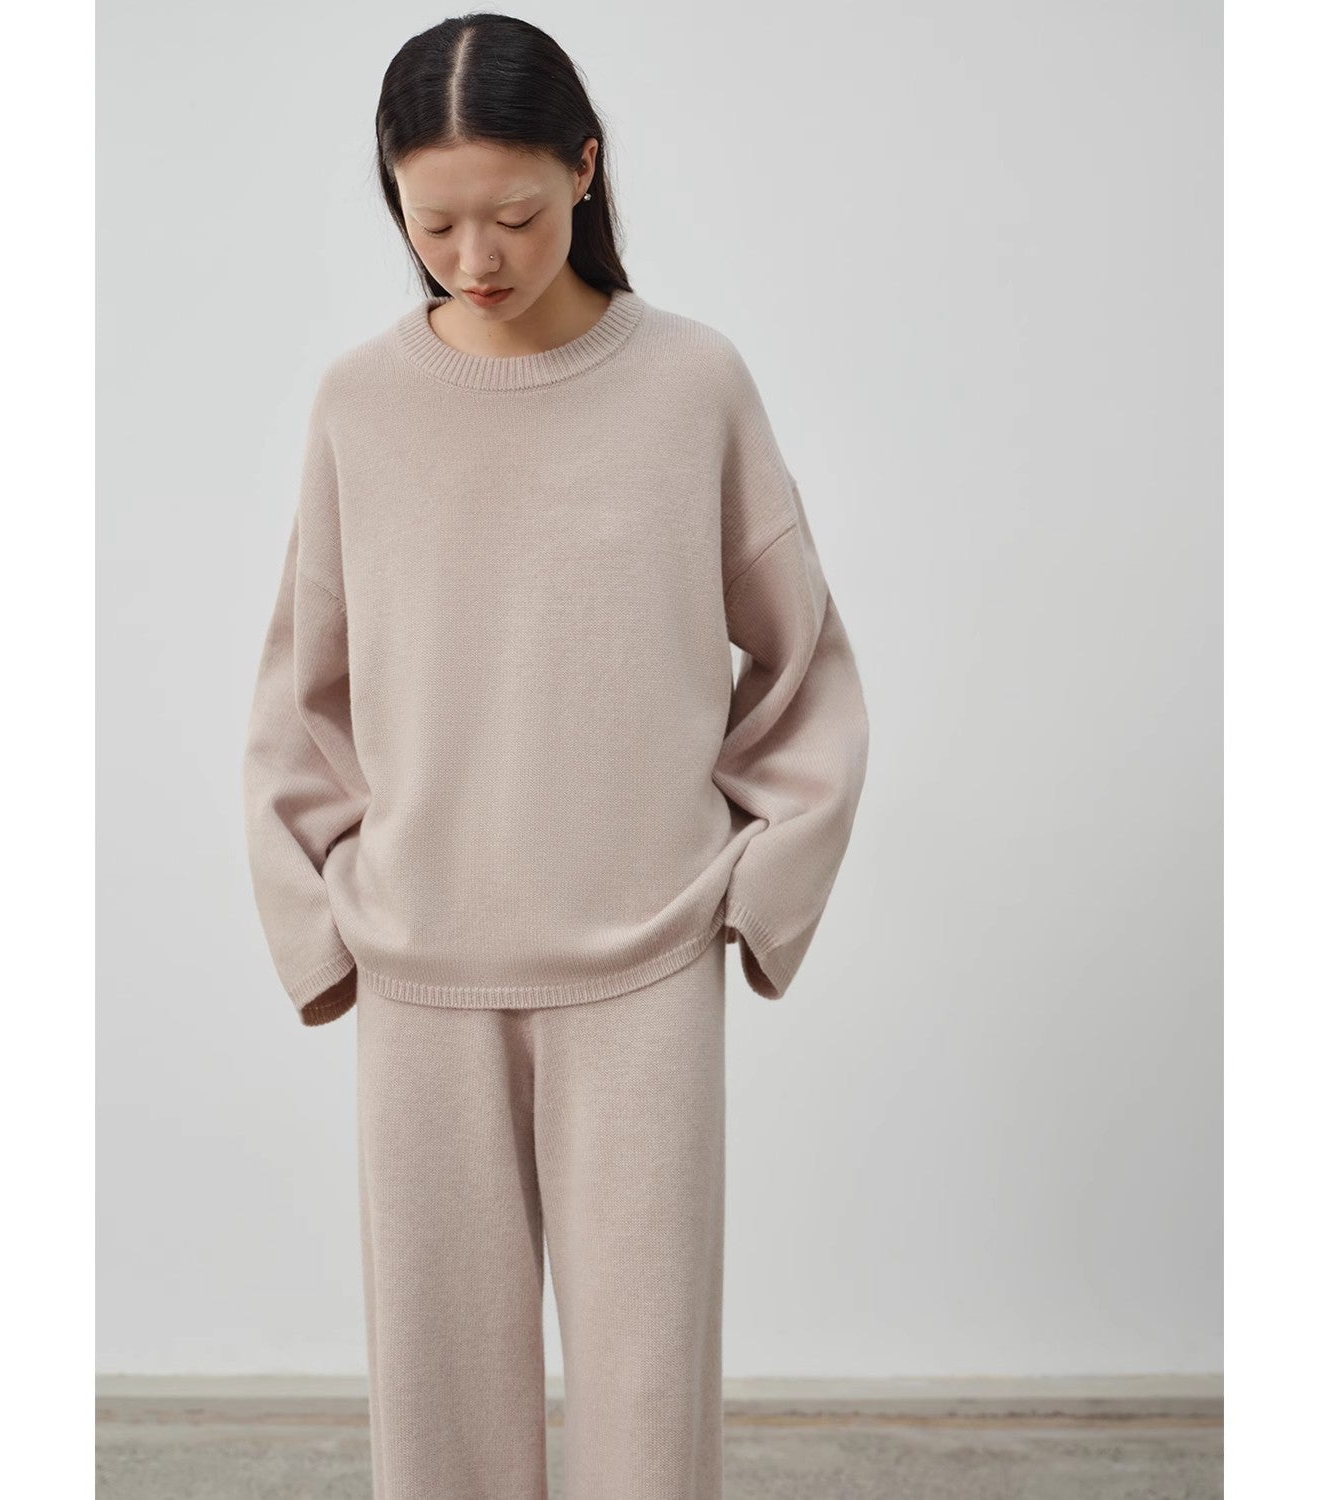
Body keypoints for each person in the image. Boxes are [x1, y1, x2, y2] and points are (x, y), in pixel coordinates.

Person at [240, 13, 869, 1499]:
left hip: (644, 960)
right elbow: (302, 688)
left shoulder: (691, 384)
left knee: (649, 1400)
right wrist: (321, 909)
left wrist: (758, 882)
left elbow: (804, 659)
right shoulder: (361, 403)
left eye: (514, 216)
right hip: (422, 962)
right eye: (435, 222)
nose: (476, 257)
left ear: (586, 171)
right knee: (438, 1409)